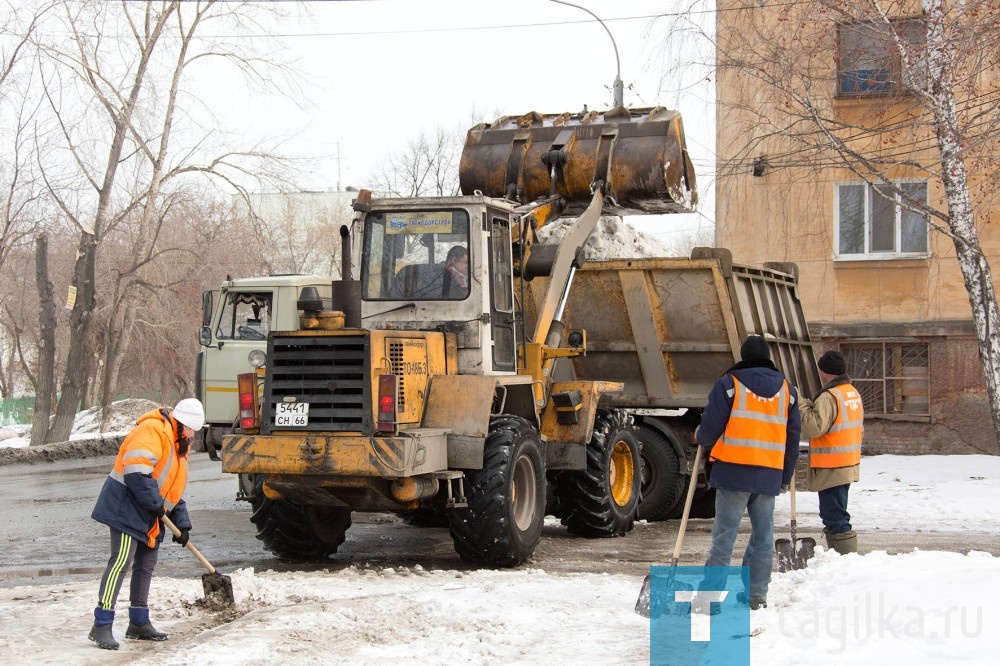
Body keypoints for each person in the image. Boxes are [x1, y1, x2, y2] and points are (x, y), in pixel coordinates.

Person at [87, 398, 205, 650]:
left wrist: (182, 524)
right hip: (127, 506)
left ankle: (138, 623)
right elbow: (136, 471)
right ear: (183, 424)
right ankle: (101, 624)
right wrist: (154, 505)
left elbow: (171, 491)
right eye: (193, 429)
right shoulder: (152, 430)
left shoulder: (178, 445)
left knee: (146, 564)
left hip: (150, 512)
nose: (194, 436)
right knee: (121, 562)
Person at [693, 335, 800, 612]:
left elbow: (710, 427)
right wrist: (784, 478)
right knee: (763, 537)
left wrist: (700, 437)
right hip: (768, 475)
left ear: (743, 355)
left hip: (734, 473)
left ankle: (710, 599)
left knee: (724, 537)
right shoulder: (788, 391)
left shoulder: (729, 384)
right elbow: (792, 439)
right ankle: (756, 596)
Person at [799, 350, 864, 555]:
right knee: (834, 514)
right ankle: (839, 558)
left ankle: (846, 559)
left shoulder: (829, 396)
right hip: (846, 462)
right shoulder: (850, 392)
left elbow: (813, 427)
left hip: (832, 464)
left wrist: (801, 404)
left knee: (835, 516)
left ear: (824, 372)